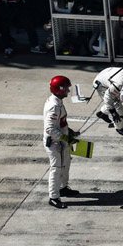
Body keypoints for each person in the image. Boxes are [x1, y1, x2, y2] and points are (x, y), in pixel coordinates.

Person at [44, 76, 79, 209]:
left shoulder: (57, 101)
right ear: (59, 89)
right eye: (66, 88)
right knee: (56, 169)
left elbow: (60, 123)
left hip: (61, 141)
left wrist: (69, 131)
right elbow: (50, 129)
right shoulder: (54, 106)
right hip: (54, 143)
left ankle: (63, 188)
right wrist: (65, 138)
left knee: (66, 164)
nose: (68, 91)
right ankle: (53, 197)